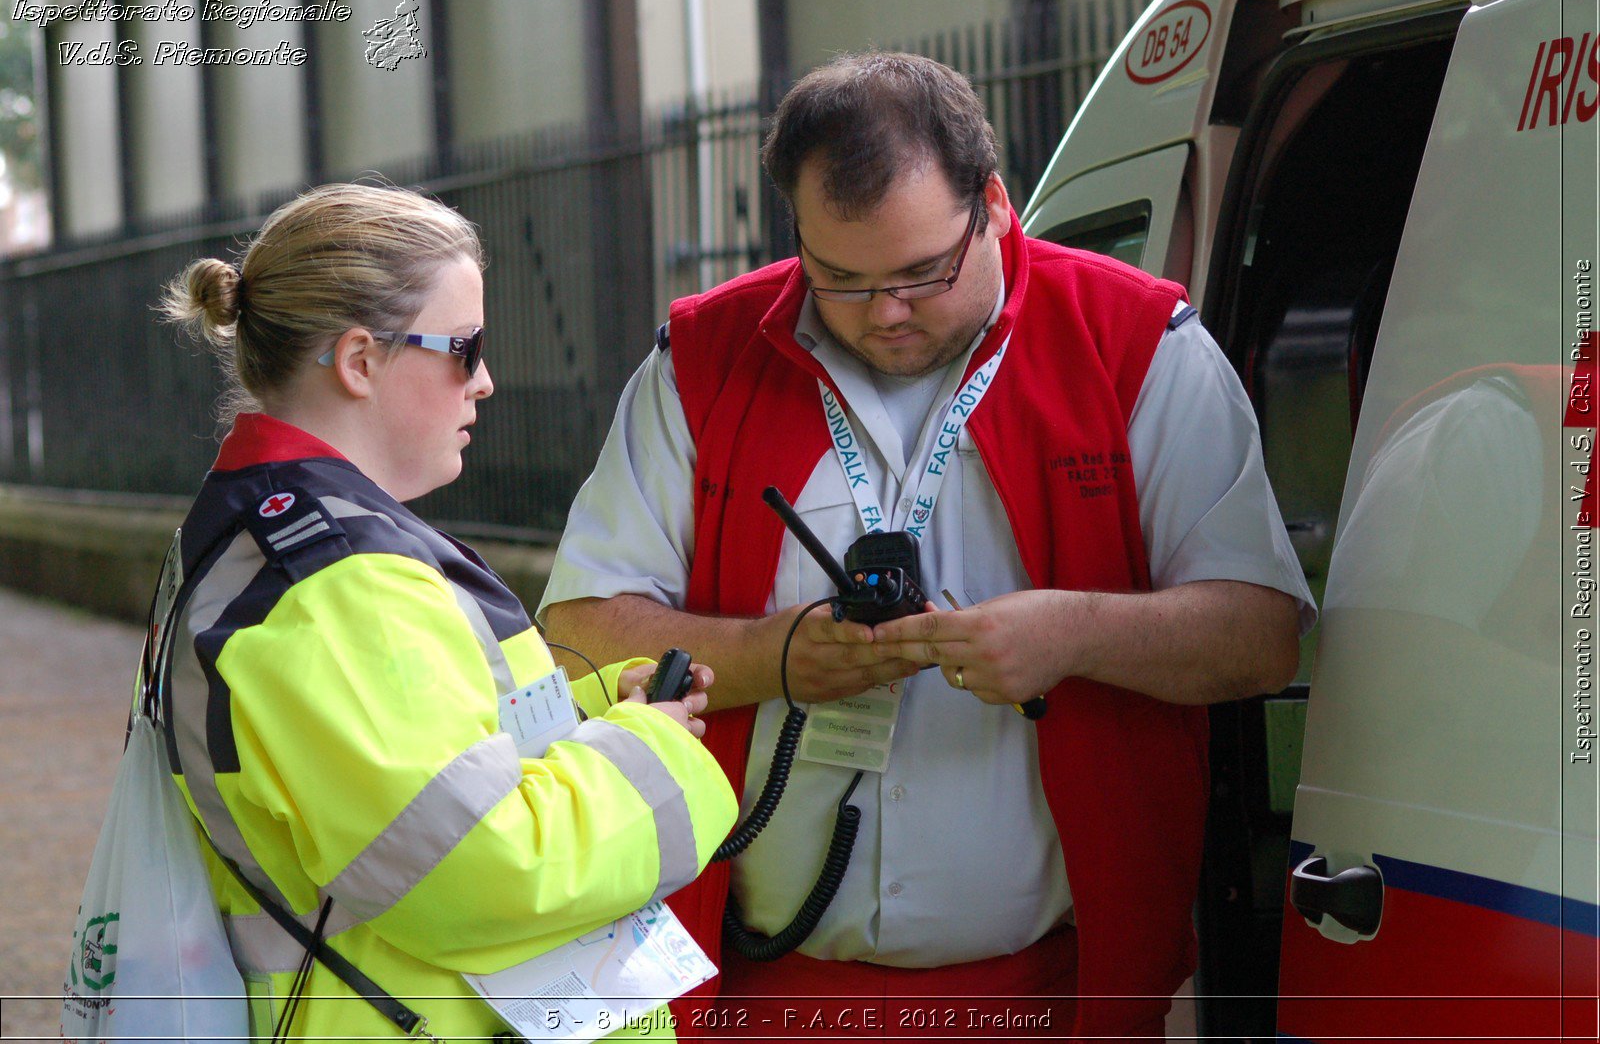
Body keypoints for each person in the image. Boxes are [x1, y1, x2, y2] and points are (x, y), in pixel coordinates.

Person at [542, 53, 1315, 1039]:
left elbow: (1259, 635)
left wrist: (1070, 632)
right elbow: (575, 632)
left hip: (1055, 992)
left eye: (921, 273)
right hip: (751, 985)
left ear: (993, 204)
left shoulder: (1135, 341)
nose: (886, 312)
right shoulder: (701, 356)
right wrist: (774, 654)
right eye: (840, 279)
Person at [153, 182, 737, 1040]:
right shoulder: (339, 587)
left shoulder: (284, 537)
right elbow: (479, 868)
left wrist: (596, 713)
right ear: (360, 361)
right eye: (466, 348)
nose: (487, 381)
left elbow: (418, 776)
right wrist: (650, 753)